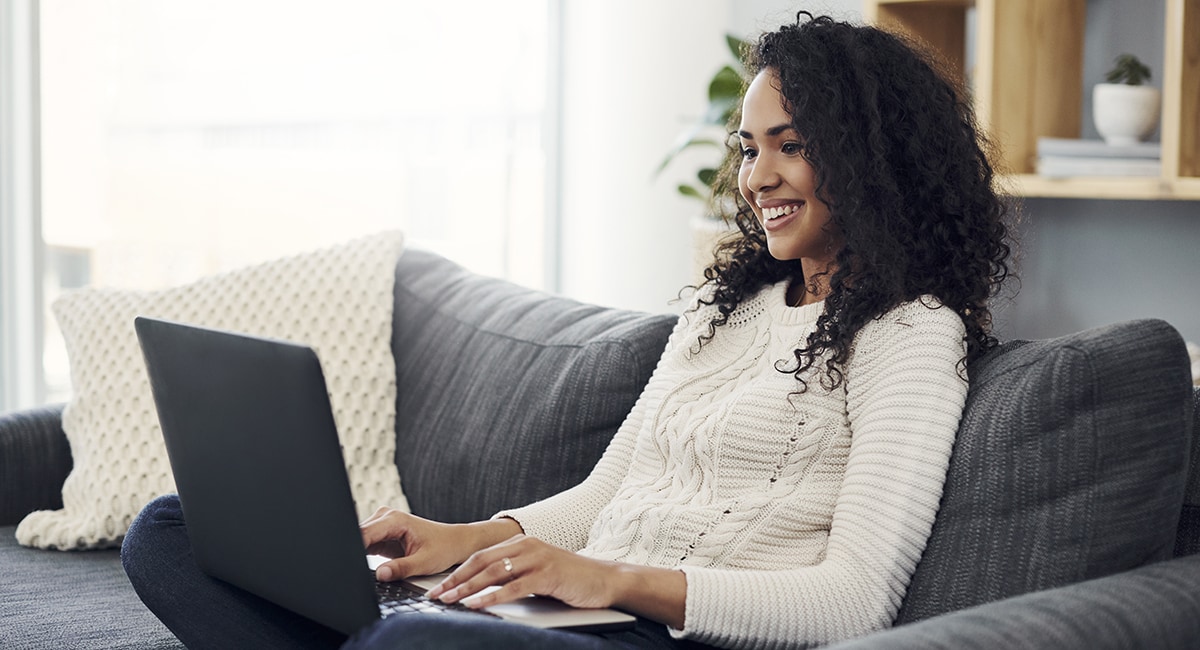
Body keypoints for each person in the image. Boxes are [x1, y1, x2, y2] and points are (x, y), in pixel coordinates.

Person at [122, 11, 1013, 650]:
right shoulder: (722, 310)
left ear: (870, 155)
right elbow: (600, 500)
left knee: (418, 644)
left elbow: (856, 601)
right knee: (169, 530)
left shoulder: (909, 333)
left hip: (666, 636)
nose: (757, 177)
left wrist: (612, 583)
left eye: (789, 144)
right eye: (748, 148)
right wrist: (462, 539)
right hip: (567, 618)